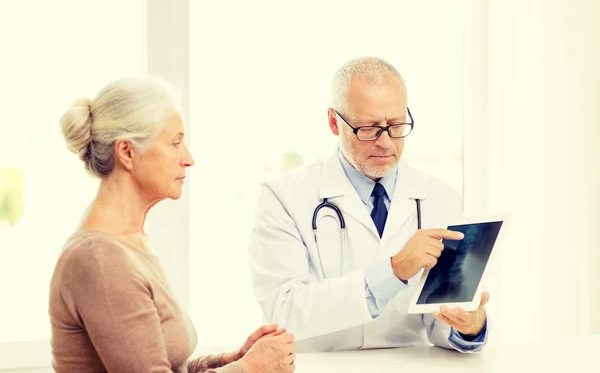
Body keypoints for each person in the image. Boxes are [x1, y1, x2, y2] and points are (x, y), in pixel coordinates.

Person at [49, 77, 296, 372]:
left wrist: (230, 360)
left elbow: (161, 365)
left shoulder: (129, 242)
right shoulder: (100, 259)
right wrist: (251, 368)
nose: (188, 158)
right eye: (175, 142)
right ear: (127, 152)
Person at [248, 57, 489, 353]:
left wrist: (469, 325)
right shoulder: (283, 197)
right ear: (334, 122)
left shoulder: (441, 198)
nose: (386, 142)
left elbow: (439, 322)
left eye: (397, 125)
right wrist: (394, 271)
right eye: (369, 128)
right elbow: (283, 311)